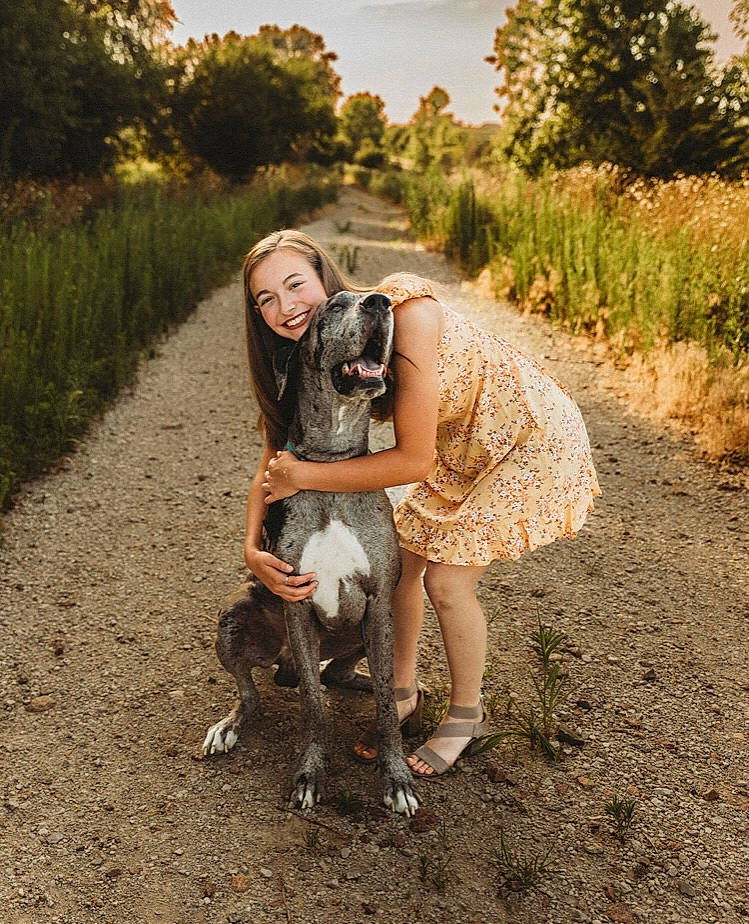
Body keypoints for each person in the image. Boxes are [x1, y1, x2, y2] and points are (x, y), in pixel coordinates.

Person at [242, 229, 601, 778]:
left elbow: (410, 463)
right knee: (402, 565)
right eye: (266, 299)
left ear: (326, 279)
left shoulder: (403, 317)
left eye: (296, 285)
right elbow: (275, 458)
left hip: (527, 440)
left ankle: (465, 716)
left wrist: (308, 475)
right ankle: (402, 693)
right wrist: (251, 548)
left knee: (447, 582)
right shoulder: (310, 352)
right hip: (461, 447)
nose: (285, 307)